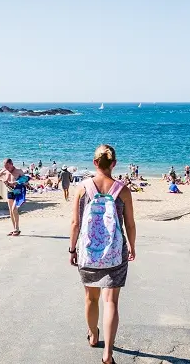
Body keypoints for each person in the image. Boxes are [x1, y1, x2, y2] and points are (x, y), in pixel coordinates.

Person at [70, 145, 136, 364]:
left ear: (95, 162)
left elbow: (75, 223)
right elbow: (130, 224)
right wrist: (132, 247)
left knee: (91, 297)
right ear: (114, 164)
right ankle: (107, 353)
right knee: (111, 301)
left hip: (88, 253)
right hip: (115, 253)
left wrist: (72, 249)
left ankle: (93, 335)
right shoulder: (122, 189)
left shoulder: (83, 188)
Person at [0, 158, 25, 236]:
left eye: (8, 166)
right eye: (5, 167)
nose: (7, 168)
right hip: (10, 192)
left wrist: (15, 182)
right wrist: (2, 177)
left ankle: (17, 228)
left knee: (14, 209)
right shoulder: (5, 171)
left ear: (12, 164)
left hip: (18, 192)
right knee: (11, 210)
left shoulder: (18, 170)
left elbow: (25, 180)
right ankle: (14, 228)